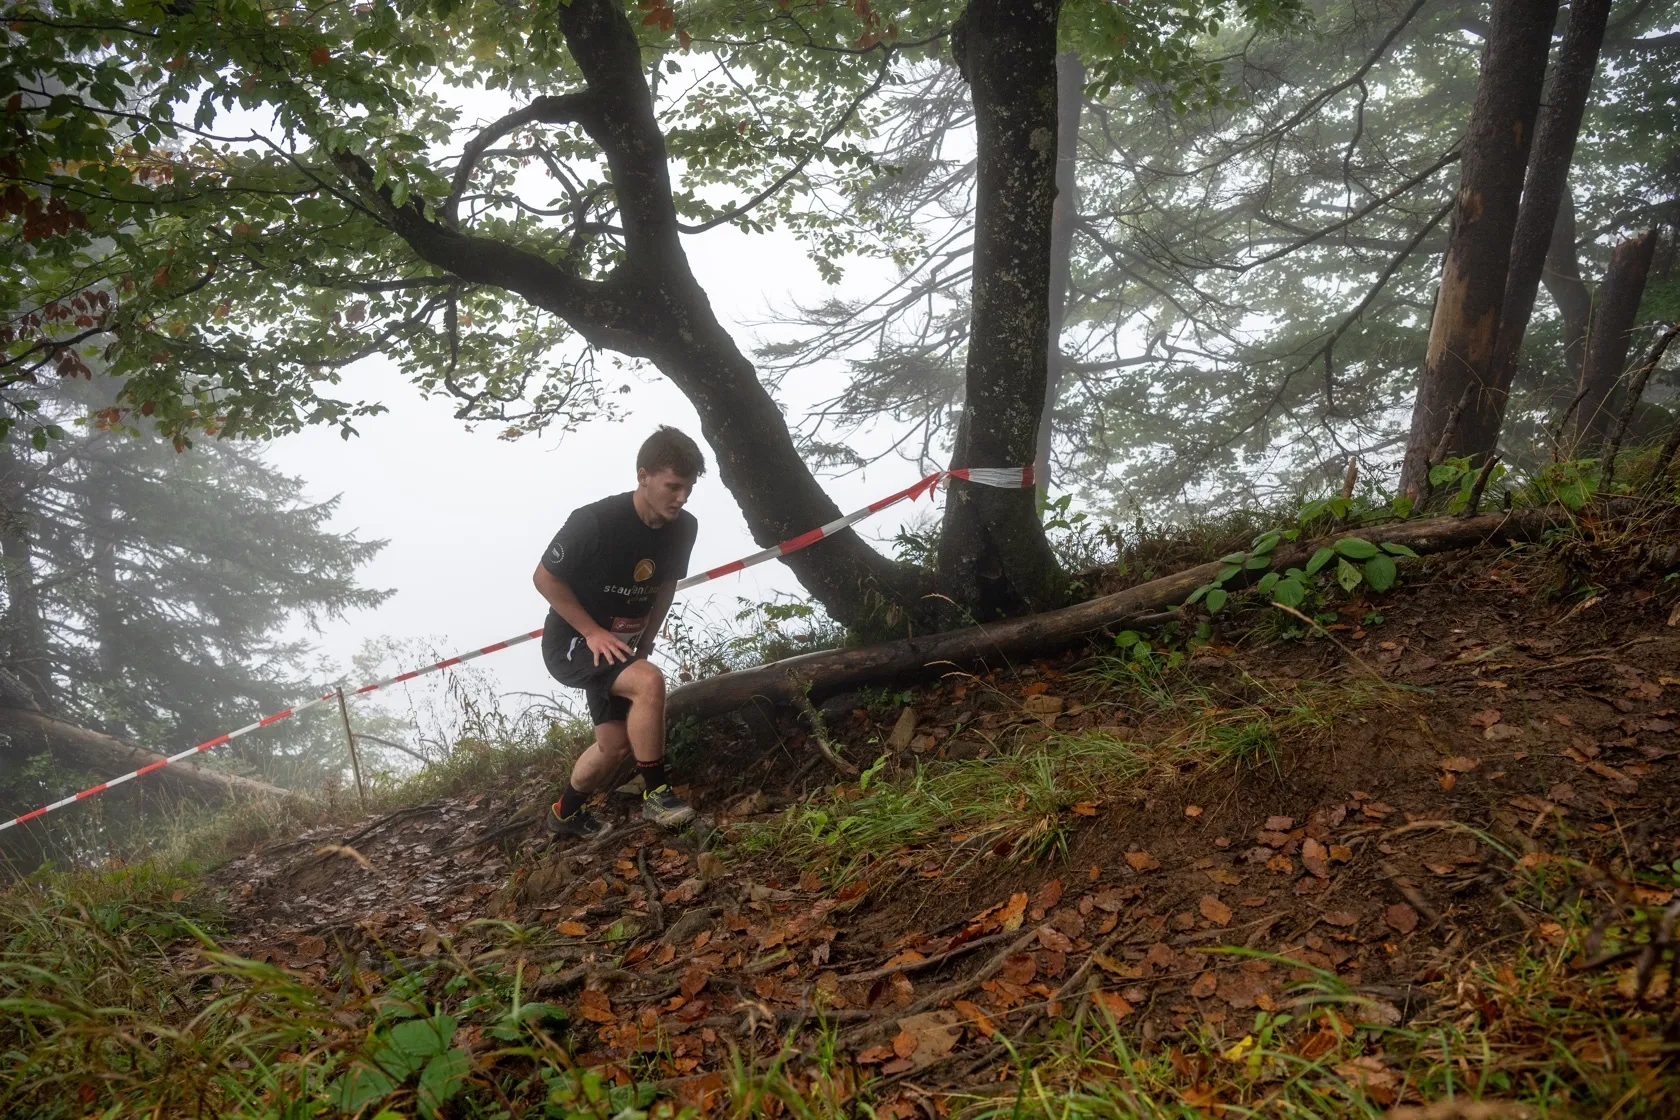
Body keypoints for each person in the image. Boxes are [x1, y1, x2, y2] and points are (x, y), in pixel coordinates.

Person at [536, 426, 703, 839]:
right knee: (649, 682)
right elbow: (544, 579)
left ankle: (565, 814)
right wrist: (592, 632)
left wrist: (644, 642)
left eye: (689, 489)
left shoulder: (684, 527)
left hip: (622, 645)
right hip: (574, 640)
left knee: (613, 747)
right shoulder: (594, 521)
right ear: (643, 476)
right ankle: (658, 796)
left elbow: (665, 586)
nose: (681, 498)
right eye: (673, 486)